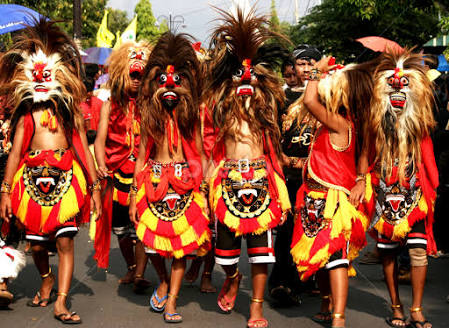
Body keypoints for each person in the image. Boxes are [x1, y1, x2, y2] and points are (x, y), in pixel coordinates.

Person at [0, 19, 101, 324]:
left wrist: (95, 188)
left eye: (49, 74)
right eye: (37, 75)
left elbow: (83, 150)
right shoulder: (26, 117)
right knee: (36, 244)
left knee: (66, 241)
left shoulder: (70, 115)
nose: (43, 80)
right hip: (31, 184)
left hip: (67, 183)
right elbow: (16, 154)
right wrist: (5, 192)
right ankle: (46, 277)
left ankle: (61, 301)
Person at [204, 8, 291, 328]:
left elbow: (273, 144)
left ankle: (255, 308)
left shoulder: (266, 108)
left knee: (260, 252)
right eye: (239, 73)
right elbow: (210, 142)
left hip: (261, 180)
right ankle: (231, 276)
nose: (245, 77)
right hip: (226, 180)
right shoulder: (220, 106)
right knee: (224, 255)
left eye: (251, 73)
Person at [129, 32, 211, 324]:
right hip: (153, 183)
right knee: (151, 245)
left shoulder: (192, 117)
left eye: (176, 82)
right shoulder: (149, 116)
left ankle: (172, 300)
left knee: (180, 248)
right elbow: (140, 157)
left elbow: (199, 153)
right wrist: (132, 193)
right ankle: (162, 280)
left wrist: (202, 189)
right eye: (163, 81)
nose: (169, 88)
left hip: (185, 183)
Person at [356, 50, 438, 328]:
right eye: (391, 85)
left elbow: (428, 159)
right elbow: (365, 154)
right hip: (383, 192)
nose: (398, 89)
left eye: (404, 85)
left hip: (415, 193)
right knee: (388, 251)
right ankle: (396, 306)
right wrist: (359, 180)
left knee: (418, 250)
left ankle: (416, 307)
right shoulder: (374, 123)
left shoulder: (421, 124)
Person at [290, 57, 374, 328]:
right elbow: (361, 153)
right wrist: (360, 178)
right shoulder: (343, 124)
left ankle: (338, 317)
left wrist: (316, 70)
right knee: (323, 257)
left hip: (331, 203)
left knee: (335, 259)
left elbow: (309, 101)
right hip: (315, 199)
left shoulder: (340, 123)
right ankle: (327, 305)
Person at [93, 41, 151, 293]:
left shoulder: (152, 106)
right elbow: (99, 141)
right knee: (120, 229)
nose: (137, 81)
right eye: (133, 75)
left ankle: (139, 274)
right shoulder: (109, 105)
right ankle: (131, 267)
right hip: (117, 177)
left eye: (141, 76)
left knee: (141, 227)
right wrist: (101, 165)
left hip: (145, 175)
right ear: (122, 75)